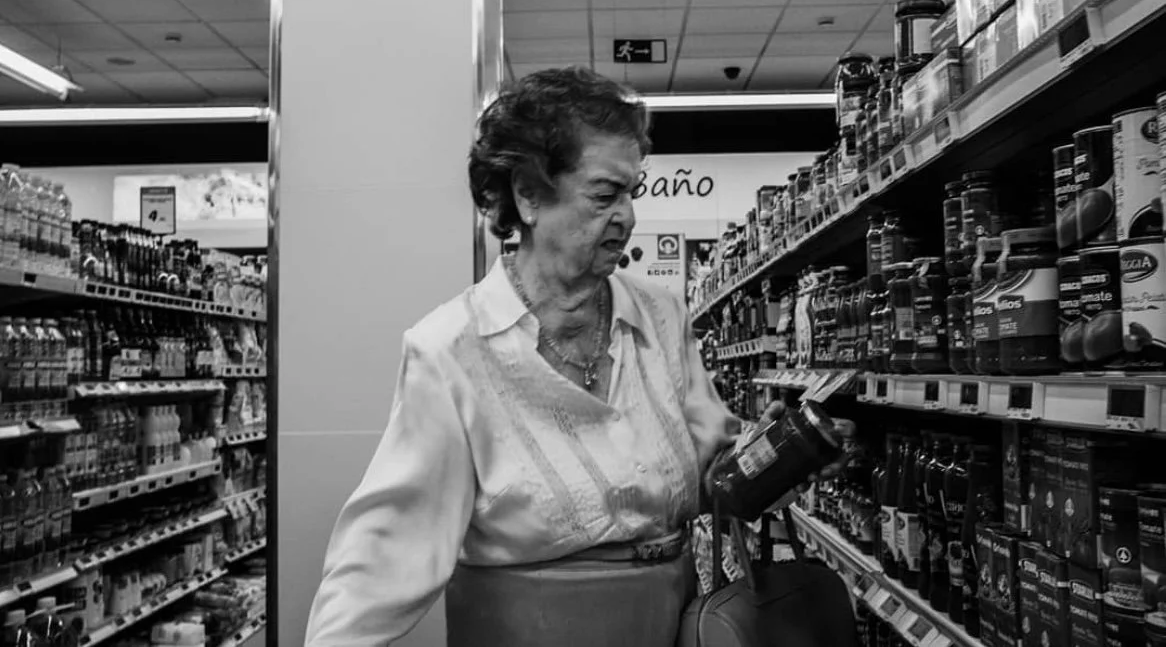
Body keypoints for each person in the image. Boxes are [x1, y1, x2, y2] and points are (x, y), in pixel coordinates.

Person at [303, 67, 850, 647]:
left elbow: (714, 478)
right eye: (604, 195)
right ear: (529, 196)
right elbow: (382, 557)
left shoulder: (661, 319)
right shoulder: (451, 352)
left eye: (632, 192)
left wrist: (776, 460)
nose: (628, 217)